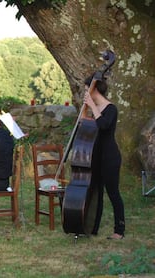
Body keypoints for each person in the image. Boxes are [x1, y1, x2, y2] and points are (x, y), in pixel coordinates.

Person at [83, 74, 125, 240]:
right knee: (95, 192)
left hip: (110, 157)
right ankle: (92, 227)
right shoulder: (95, 108)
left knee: (113, 192)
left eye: (87, 90)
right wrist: (86, 108)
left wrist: (92, 106)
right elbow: (84, 123)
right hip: (95, 156)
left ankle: (119, 230)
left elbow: (104, 125)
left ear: (94, 90)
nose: (85, 93)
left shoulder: (110, 108)